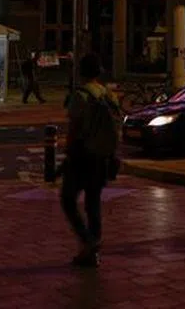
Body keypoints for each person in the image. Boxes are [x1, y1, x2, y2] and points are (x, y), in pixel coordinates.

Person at [61, 53, 120, 268]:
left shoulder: (80, 95)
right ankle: (92, 251)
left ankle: (88, 241)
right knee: (93, 203)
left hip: (82, 156)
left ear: (81, 71)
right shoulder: (108, 95)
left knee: (68, 200)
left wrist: (67, 151)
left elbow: (74, 128)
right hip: (102, 157)